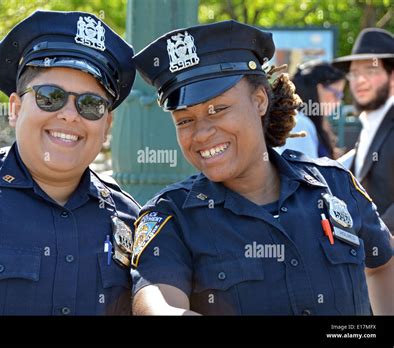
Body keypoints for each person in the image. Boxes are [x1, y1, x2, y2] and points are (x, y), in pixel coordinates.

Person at [130, 20, 393, 315]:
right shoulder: (171, 216)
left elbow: (382, 265)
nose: (201, 133)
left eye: (218, 109)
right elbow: (156, 304)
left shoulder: (336, 185)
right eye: (185, 120)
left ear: (259, 100)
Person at [0, 10, 139, 315]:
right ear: (15, 107)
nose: (70, 115)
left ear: (107, 124)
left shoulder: (129, 220)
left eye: (91, 104)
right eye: (51, 96)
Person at [333, 28, 394, 232]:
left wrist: (378, 240)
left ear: (392, 76)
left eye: (370, 70)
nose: (359, 80)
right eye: (354, 73)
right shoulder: (368, 124)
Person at [276, 61, 345, 159]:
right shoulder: (299, 124)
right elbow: (307, 172)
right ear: (318, 88)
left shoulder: (299, 121)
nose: (339, 101)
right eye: (336, 94)